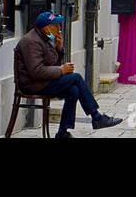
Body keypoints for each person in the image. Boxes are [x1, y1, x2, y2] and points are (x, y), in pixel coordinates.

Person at [15, 10, 122, 138]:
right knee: (76, 78)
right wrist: (61, 70)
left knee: (73, 91)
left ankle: (62, 132)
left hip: (43, 81)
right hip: (32, 84)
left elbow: (51, 64)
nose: (59, 29)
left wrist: (59, 49)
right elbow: (36, 71)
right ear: (47, 28)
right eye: (56, 26)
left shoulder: (45, 38)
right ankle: (97, 117)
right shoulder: (31, 41)